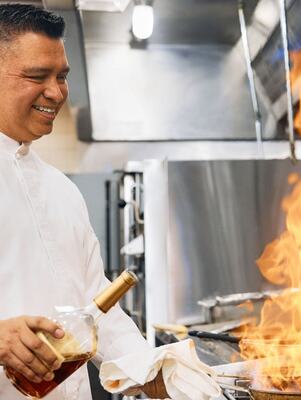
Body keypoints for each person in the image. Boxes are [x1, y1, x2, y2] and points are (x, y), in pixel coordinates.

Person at [0, 3, 168, 399]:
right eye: (37, 76)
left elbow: (96, 306)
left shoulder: (62, 189)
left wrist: (154, 373)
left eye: (62, 76)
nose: (55, 92)